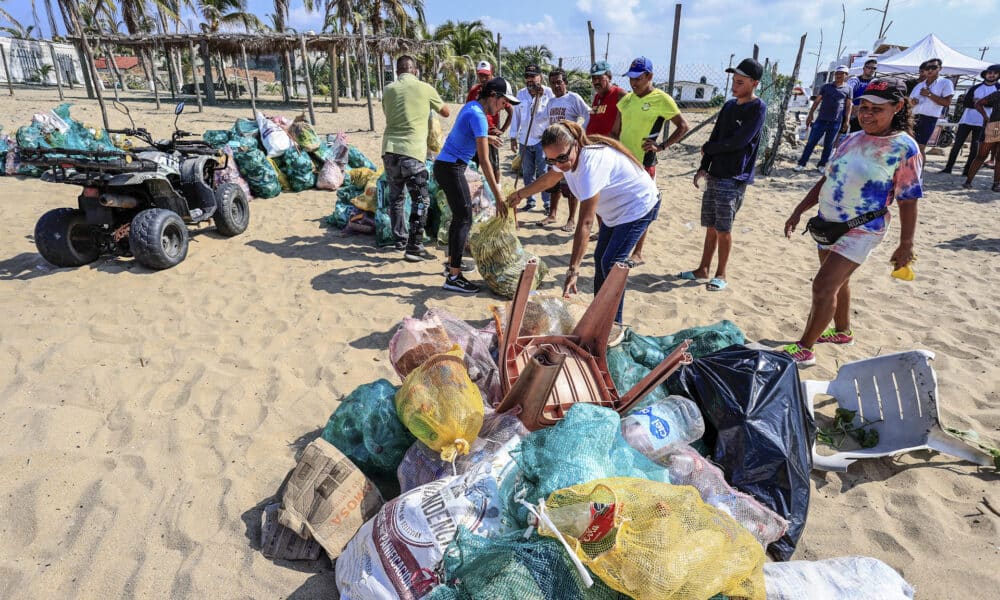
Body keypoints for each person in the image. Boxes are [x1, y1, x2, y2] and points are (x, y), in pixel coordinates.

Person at [782, 77, 922, 366]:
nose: (867, 114)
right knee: (837, 282)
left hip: (863, 228)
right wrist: (799, 209)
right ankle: (843, 331)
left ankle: (805, 349)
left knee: (822, 287)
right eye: (864, 107)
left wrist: (905, 244)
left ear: (897, 107)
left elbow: (908, 198)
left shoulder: (904, 148)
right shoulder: (851, 138)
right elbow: (827, 178)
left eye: (877, 109)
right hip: (828, 222)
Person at [506, 120, 660, 323]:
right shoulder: (564, 157)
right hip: (616, 211)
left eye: (562, 158)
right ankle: (599, 315)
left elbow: (585, 224)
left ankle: (614, 324)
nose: (559, 165)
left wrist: (573, 269)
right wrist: (520, 194)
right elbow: (550, 179)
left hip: (638, 207)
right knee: (600, 259)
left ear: (576, 143)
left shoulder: (591, 165)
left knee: (612, 264)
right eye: (551, 160)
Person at [678, 58, 767, 292]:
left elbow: (740, 141)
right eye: (734, 80)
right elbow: (715, 137)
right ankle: (702, 269)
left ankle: (721, 274)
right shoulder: (728, 106)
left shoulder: (758, 108)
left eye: (740, 81)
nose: (735, 85)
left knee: (724, 228)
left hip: (734, 176)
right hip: (715, 173)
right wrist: (704, 165)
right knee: (710, 225)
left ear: (754, 83)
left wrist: (710, 149)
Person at [434, 78, 519, 293]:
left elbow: (467, 133)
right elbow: (484, 161)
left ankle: (454, 262)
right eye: (503, 102)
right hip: (451, 168)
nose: (504, 107)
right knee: (464, 218)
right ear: (493, 96)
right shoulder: (479, 116)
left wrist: (488, 138)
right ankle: (454, 276)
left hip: (447, 166)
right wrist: (499, 196)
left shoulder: (472, 107)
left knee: (460, 217)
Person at [611, 56, 689, 263]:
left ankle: (638, 252)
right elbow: (614, 132)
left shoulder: (661, 99)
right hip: (623, 163)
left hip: (644, 163)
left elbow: (683, 126)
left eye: (638, 78)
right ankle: (620, 244)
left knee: (643, 207)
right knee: (622, 204)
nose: (633, 82)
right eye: (631, 78)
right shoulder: (626, 100)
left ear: (649, 76)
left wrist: (661, 146)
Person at [381, 55, 450, 260]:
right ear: (415, 70)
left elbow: (387, 113)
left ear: (397, 72)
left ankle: (400, 241)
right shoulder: (425, 88)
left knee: (397, 198)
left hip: (389, 150)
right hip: (411, 151)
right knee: (421, 199)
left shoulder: (388, 89)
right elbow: (445, 111)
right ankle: (415, 246)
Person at [542, 68, 591, 229]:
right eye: (553, 83)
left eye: (559, 82)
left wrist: (579, 132)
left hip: (568, 151)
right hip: (554, 150)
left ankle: (571, 219)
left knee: (571, 186)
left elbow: (588, 113)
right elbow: (544, 120)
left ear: (565, 83)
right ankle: (552, 215)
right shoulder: (550, 102)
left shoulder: (573, 98)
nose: (556, 86)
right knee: (553, 184)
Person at [509, 64, 554, 214]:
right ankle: (530, 200)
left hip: (543, 140)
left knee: (543, 171)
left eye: (533, 76)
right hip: (524, 140)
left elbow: (549, 114)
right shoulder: (520, 94)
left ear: (540, 77)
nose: (530, 80)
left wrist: (538, 98)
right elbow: (516, 116)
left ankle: (547, 202)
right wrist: (513, 137)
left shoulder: (548, 93)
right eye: (528, 77)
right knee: (528, 172)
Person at [942, 64, 1000, 176]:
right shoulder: (975, 87)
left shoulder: (998, 89)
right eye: (990, 73)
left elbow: (996, 105)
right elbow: (966, 102)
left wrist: (981, 102)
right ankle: (948, 168)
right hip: (967, 120)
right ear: (985, 74)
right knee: (957, 144)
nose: (992, 75)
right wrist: (982, 103)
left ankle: (967, 171)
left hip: (984, 122)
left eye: (995, 73)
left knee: (975, 148)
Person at [794, 66, 853, 172]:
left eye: (842, 73)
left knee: (828, 145)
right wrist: (810, 114)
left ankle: (822, 165)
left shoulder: (848, 89)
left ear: (846, 75)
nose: (839, 75)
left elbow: (848, 106)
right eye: (837, 73)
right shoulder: (826, 87)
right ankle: (801, 164)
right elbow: (817, 101)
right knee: (811, 143)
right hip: (821, 120)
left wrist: (847, 120)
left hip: (835, 122)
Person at [466, 60, 512, 182]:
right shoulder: (474, 91)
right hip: (476, 132)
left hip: (491, 133)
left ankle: (497, 188)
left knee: (493, 164)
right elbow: (468, 109)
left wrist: (502, 130)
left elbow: (510, 110)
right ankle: (473, 186)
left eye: (486, 75)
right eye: (481, 75)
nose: (483, 78)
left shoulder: (497, 91)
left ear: (492, 74)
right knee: (473, 163)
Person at [909, 58, 954, 159]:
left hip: (928, 119)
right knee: (909, 148)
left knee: (919, 150)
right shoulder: (919, 85)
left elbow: (947, 103)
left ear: (940, 68)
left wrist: (929, 94)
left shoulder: (945, 82)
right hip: (913, 117)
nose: (929, 70)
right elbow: (910, 103)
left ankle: (919, 174)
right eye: (927, 68)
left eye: (933, 67)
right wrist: (912, 102)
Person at [961, 86, 1000, 191]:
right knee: (981, 156)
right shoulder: (997, 94)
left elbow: (979, 104)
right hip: (994, 126)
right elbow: (978, 104)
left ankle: (996, 184)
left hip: (993, 125)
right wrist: (986, 117)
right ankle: (968, 182)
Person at [846, 59, 878, 132]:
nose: (871, 70)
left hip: (868, 115)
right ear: (864, 68)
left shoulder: (876, 82)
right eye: (869, 67)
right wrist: (852, 107)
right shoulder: (855, 80)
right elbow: (846, 95)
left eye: (874, 68)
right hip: (852, 114)